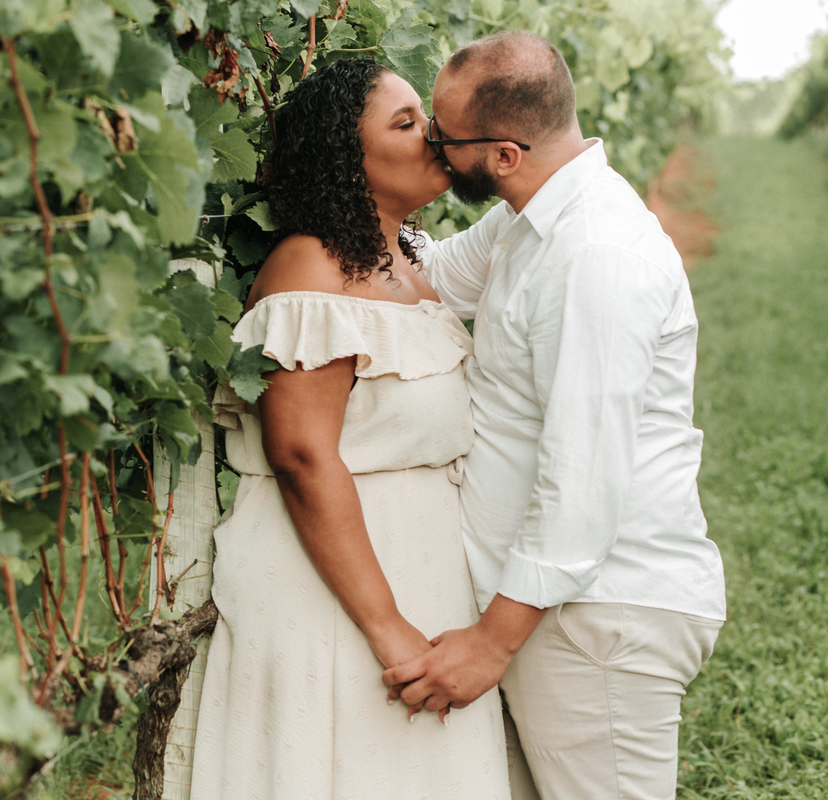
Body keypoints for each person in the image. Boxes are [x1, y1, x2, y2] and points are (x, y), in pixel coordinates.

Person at [382, 31, 727, 800]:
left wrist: (491, 644)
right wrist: (360, 201)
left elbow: (584, 480)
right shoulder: (529, 215)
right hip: (555, 606)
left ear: (505, 154)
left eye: (442, 137)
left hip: (595, 614)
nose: (432, 145)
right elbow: (431, 278)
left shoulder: (596, 257)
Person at [189, 58, 511, 800]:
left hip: (418, 574)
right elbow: (301, 455)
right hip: (335, 596)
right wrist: (386, 623)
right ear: (347, 159)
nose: (432, 134)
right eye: (405, 123)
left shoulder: (408, 264)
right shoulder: (312, 269)